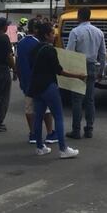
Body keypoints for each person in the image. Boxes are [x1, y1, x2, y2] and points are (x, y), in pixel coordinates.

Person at [28, 21, 85, 158]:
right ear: (47, 35)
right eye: (52, 33)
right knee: (58, 116)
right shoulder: (50, 50)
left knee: (38, 117)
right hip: (49, 86)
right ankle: (63, 149)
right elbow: (59, 71)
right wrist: (78, 76)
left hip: (36, 87)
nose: (54, 36)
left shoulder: (34, 49)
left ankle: (40, 147)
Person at [15, 19, 58, 145]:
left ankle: (33, 133)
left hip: (26, 81)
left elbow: (17, 62)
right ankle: (50, 133)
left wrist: (19, 76)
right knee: (46, 109)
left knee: (29, 108)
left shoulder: (20, 43)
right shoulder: (39, 44)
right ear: (36, 30)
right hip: (40, 81)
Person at [65, 7, 106, 140]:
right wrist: (102, 70)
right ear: (89, 16)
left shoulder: (75, 32)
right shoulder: (99, 32)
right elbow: (103, 54)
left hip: (78, 65)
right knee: (90, 100)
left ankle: (76, 130)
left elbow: (69, 52)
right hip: (92, 66)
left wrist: (66, 71)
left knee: (77, 100)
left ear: (78, 16)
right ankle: (89, 129)